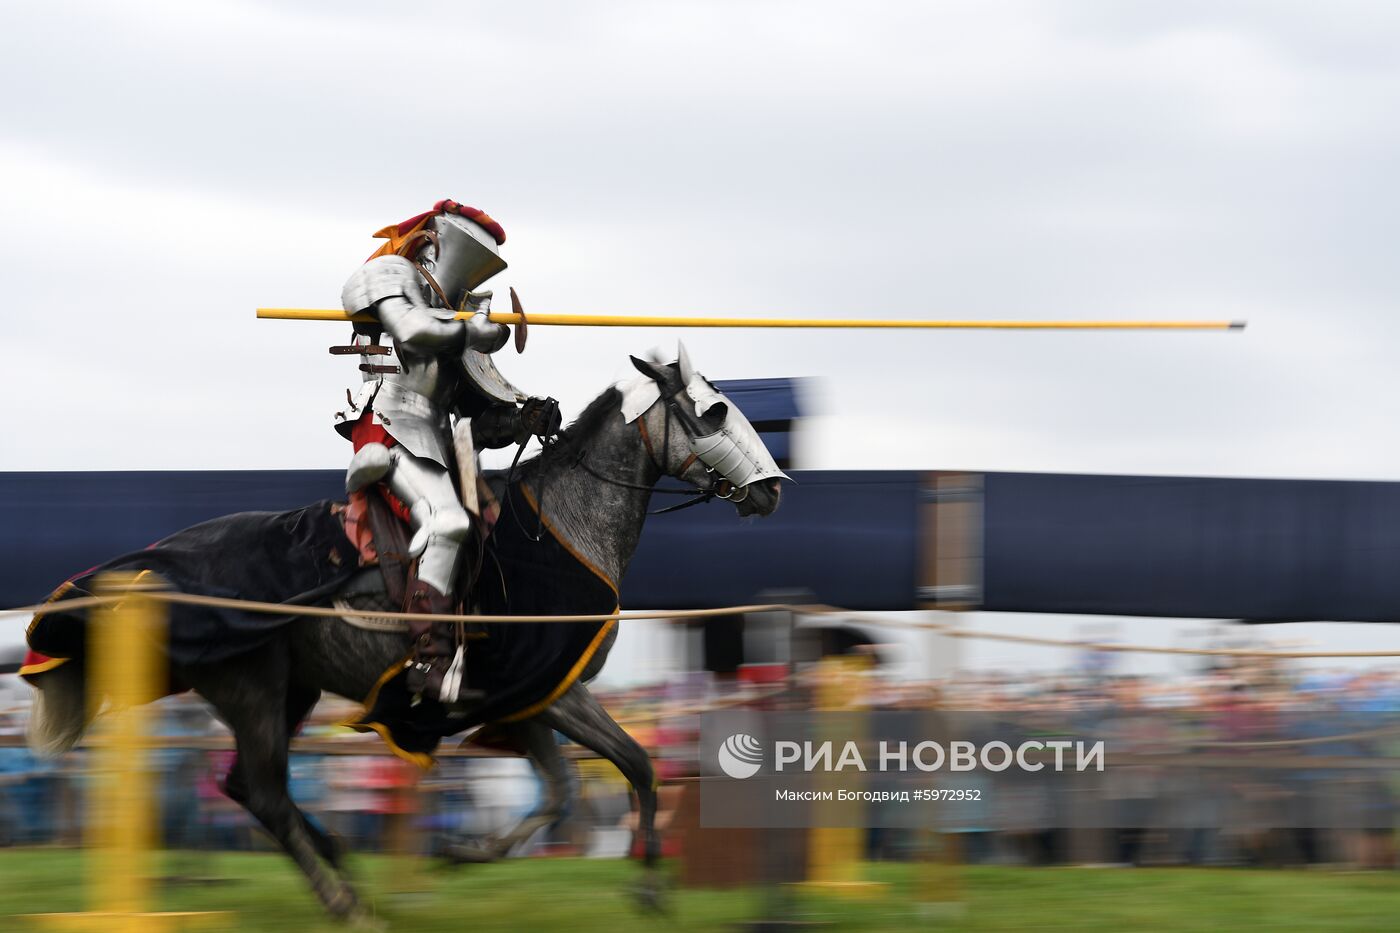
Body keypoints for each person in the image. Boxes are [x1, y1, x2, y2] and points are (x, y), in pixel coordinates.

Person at [334, 199, 556, 704]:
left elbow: (475, 417)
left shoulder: (460, 309)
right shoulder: (391, 273)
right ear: (433, 237)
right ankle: (426, 659)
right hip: (392, 423)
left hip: (441, 439)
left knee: (492, 536)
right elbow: (411, 330)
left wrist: (526, 416)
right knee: (449, 523)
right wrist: (473, 331)